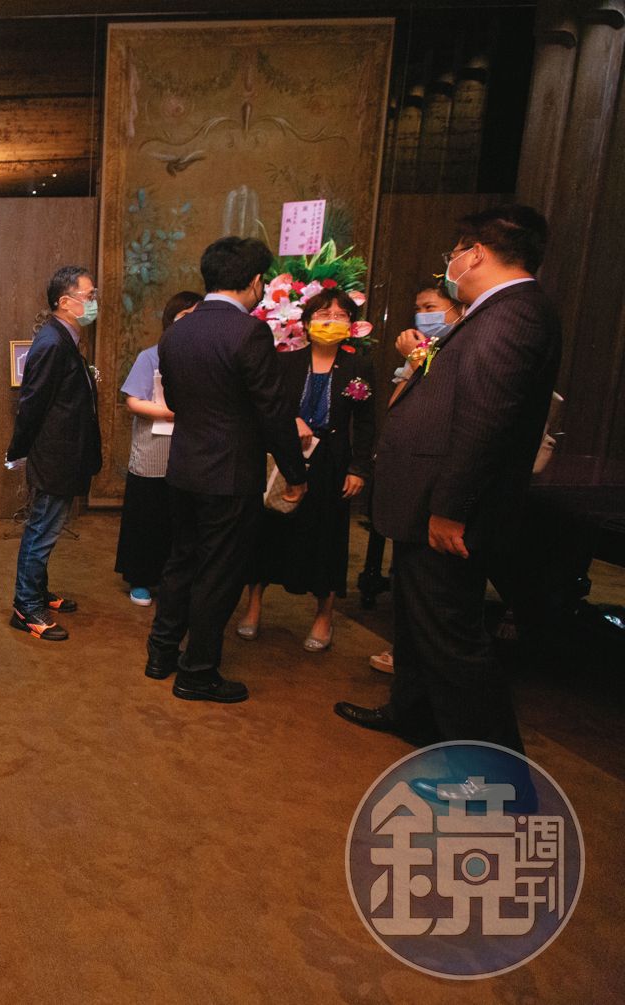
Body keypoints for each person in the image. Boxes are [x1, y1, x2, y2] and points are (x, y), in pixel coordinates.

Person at [337, 205, 562, 784]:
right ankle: (412, 716)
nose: (451, 263)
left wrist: (449, 510)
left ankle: (494, 778)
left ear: (476, 253)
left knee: (453, 640)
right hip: (424, 499)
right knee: (417, 622)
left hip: (448, 509)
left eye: (455, 252)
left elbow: (486, 423)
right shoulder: (492, 313)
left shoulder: (513, 315)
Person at [144, 238, 308, 702]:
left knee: (181, 561)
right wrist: (295, 473)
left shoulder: (177, 332)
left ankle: (161, 653)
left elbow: (176, 399)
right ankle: (197, 672)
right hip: (230, 474)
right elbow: (273, 411)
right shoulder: (249, 333)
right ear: (255, 282)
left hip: (184, 468)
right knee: (218, 573)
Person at [238, 288, 376, 651]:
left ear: (351, 324)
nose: (331, 321)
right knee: (267, 531)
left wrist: (359, 468)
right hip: (286, 456)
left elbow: (366, 424)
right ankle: (253, 606)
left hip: (332, 462)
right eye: (323, 314)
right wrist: (291, 420)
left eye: (340, 315)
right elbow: (265, 407)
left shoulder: (359, 367)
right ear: (307, 321)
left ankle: (324, 615)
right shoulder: (285, 362)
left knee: (326, 537)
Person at [371, 279, 466, 674]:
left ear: (458, 310)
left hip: (439, 480)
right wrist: (413, 363)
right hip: (408, 478)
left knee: (436, 587)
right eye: (419, 309)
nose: (423, 316)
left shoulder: (462, 349)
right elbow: (397, 406)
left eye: (431, 307)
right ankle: (408, 656)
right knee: (407, 575)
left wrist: (420, 359)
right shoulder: (421, 355)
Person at [5, 265, 103, 641]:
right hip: (54, 455)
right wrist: (18, 449)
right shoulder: (51, 342)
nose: (94, 303)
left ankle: (38, 590)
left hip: (67, 453)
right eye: (89, 296)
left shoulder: (66, 338)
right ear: (65, 302)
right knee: (42, 528)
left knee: (49, 526)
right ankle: (26, 606)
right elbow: (32, 404)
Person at [115, 290, 202, 607]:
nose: (191, 323)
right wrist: (170, 412)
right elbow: (133, 402)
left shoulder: (207, 358)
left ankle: (174, 580)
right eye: (185, 316)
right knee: (148, 516)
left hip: (191, 451)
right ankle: (141, 579)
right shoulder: (151, 356)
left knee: (181, 520)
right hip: (154, 449)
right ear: (170, 320)